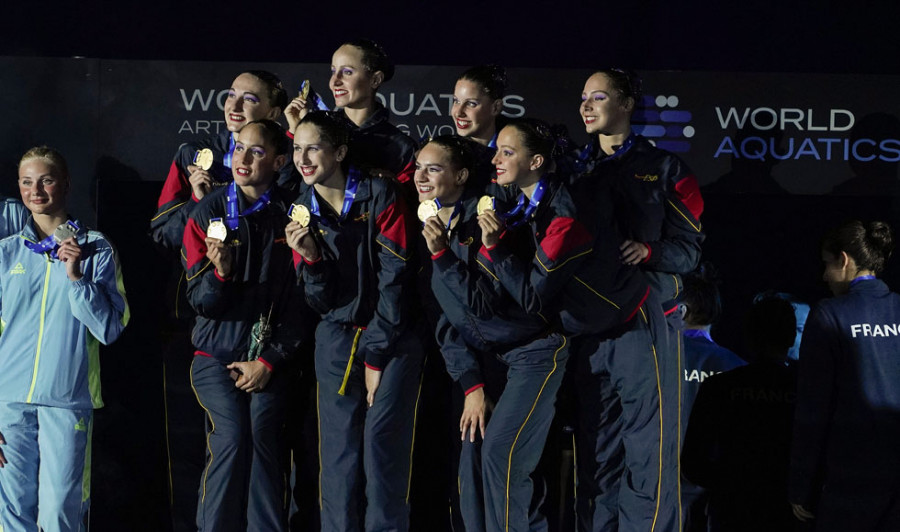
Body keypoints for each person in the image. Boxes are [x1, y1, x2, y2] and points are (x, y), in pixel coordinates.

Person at [479, 118, 657, 531]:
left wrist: (495, 248)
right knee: (555, 458)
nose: (497, 159)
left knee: (630, 454)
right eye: (497, 150)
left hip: (619, 325)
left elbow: (533, 296)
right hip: (571, 333)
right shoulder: (521, 199)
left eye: (508, 152)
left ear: (537, 161)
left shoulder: (567, 214)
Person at [570, 68, 705, 531]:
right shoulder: (573, 167)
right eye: (583, 98)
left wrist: (649, 251)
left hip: (645, 320)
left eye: (599, 97)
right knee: (595, 450)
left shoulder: (667, 168)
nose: (586, 106)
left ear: (627, 104)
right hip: (589, 324)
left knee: (650, 449)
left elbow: (690, 251)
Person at [415, 135, 565, 531]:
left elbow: (483, 306)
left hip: (527, 350)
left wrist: (442, 256)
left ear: (462, 175)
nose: (420, 177)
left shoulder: (489, 221)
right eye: (417, 167)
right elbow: (445, 321)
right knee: (472, 465)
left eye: (433, 168)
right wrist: (470, 384)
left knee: (505, 459)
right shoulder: (429, 227)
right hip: (481, 363)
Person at [286, 111, 421, 532]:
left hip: (392, 337)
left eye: (313, 148)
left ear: (340, 151)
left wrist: (377, 355)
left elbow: (395, 280)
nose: (302, 158)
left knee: (383, 457)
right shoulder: (300, 209)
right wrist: (311, 258)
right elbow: (319, 300)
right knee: (338, 460)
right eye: (296, 148)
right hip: (336, 342)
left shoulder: (380, 194)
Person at [182, 119, 309, 531]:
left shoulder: (290, 217)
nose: (243, 158)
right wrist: (220, 275)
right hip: (214, 359)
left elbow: (300, 305)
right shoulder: (207, 213)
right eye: (238, 148)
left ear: (278, 160)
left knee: (264, 442)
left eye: (256, 151)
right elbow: (198, 301)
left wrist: (269, 361)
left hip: (268, 362)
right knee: (233, 439)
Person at [0, 146, 130, 531]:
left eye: (46, 179)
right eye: (26, 182)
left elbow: (109, 328)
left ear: (66, 184)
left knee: (59, 514)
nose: (35, 190)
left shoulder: (96, 248)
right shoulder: (6, 253)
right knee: (11, 515)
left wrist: (76, 277)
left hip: (67, 401)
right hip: (9, 405)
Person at [790, 220, 900, 531]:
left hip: (849, 482)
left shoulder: (829, 315)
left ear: (844, 259)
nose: (824, 276)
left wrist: (800, 485)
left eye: (827, 264)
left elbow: (813, 409)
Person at [681, 295, 798, 532]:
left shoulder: (719, 387)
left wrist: (730, 482)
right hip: (789, 511)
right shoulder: (808, 389)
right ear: (792, 337)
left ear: (748, 336)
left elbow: (693, 462)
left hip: (732, 510)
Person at [152, 70, 294, 251]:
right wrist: (197, 202)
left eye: (249, 99)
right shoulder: (192, 155)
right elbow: (163, 237)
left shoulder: (287, 161)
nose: (234, 107)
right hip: (204, 273)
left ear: (273, 113)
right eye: (231, 95)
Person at [285, 39, 416, 180]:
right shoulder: (321, 131)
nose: (334, 82)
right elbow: (289, 188)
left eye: (347, 72)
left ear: (375, 80)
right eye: (333, 71)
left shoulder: (402, 147)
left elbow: (412, 199)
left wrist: (392, 186)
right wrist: (296, 130)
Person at [678, 263, 746, 532]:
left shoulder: (657, 360)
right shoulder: (737, 366)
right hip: (714, 487)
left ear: (681, 310)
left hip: (661, 482)